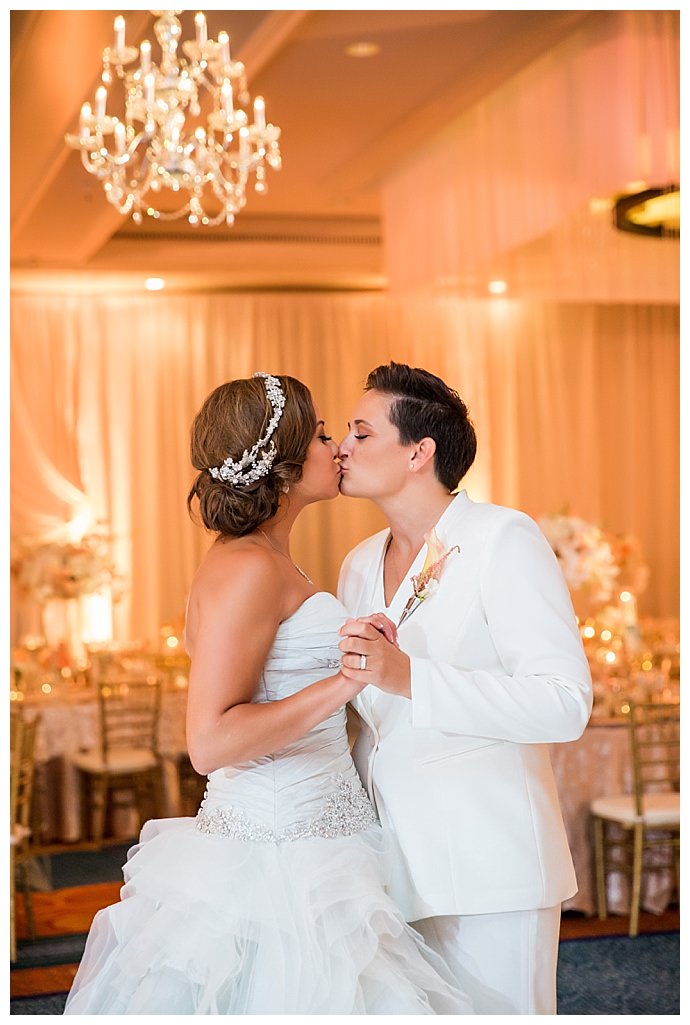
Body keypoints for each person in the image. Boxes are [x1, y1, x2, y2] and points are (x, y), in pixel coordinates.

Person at [64, 371, 479, 1015]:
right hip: (278, 857)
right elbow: (209, 742)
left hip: (323, 836)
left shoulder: (270, 559)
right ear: (283, 466)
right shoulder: (249, 567)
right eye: (320, 436)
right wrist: (344, 680)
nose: (336, 448)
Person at [336, 361, 593, 1015]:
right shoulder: (358, 563)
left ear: (419, 451)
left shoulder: (503, 537)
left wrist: (412, 678)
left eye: (362, 433)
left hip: (490, 865)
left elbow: (564, 701)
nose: (343, 447)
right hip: (389, 866)